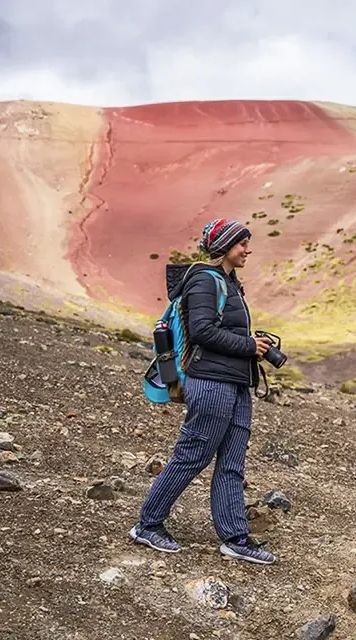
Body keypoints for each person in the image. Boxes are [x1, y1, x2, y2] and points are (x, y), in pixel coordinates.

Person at [128, 218, 277, 564]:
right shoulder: (203, 280)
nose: (248, 250)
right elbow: (202, 331)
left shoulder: (230, 282)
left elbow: (220, 331)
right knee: (192, 455)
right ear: (224, 246)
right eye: (242, 244)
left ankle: (235, 538)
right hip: (210, 384)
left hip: (236, 384)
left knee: (232, 464)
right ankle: (147, 524)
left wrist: (254, 347)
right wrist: (248, 345)